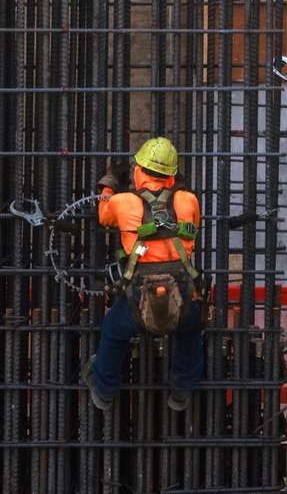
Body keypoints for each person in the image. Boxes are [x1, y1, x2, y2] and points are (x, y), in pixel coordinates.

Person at [82, 137, 206, 412]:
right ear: (172, 178)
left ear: (138, 171)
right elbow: (192, 222)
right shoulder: (190, 200)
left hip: (136, 301)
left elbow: (103, 214)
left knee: (114, 332)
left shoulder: (124, 202)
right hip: (183, 297)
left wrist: (109, 182)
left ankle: (103, 391)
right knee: (191, 331)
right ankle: (181, 392)